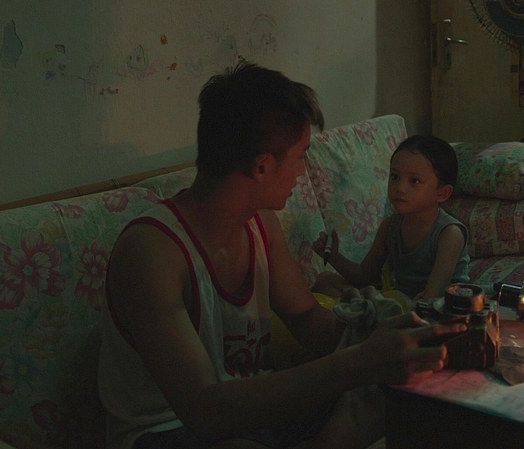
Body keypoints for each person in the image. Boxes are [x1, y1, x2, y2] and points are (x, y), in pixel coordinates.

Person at [97, 61, 467, 449]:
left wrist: (367, 330)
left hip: (251, 412)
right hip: (170, 429)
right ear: (262, 166)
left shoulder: (261, 225)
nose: (303, 171)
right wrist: (356, 364)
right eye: (301, 155)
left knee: (404, 403)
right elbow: (204, 409)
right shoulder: (152, 252)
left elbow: (307, 319)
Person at [312, 135, 470, 308]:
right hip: (400, 301)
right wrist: (335, 257)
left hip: (436, 306)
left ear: (442, 193)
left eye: (414, 181)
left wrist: (404, 306)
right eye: (395, 177)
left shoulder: (449, 234)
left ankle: (367, 311)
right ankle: (371, 310)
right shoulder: (390, 226)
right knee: (324, 281)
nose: (400, 188)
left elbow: (433, 296)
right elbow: (364, 275)